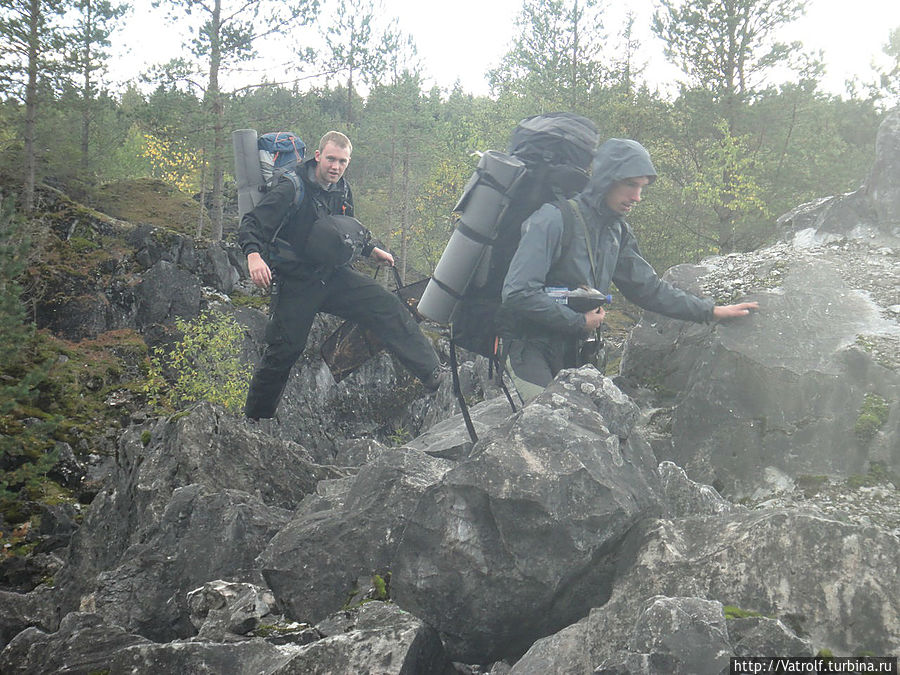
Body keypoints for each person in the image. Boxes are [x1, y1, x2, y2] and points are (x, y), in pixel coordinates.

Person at [500, 137, 758, 401]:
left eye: (642, 188)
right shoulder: (553, 219)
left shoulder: (615, 230)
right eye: (630, 185)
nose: (637, 197)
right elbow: (518, 293)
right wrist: (579, 322)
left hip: (574, 350)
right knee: (551, 423)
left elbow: (647, 289)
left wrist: (710, 311)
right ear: (607, 179)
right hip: (528, 350)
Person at [238, 130, 443, 420]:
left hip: (334, 276)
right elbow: (251, 224)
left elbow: (345, 232)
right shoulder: (291, 187)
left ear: (348, 163)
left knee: (386, 305)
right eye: (331, 159)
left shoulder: (343, 190)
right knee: (284, 351)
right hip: (297, 282)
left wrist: (371, 249)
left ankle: (432, 373)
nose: (335, 166)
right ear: (318, 156)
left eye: (342, 161)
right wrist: (254, 255)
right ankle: (255, 419)